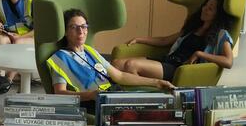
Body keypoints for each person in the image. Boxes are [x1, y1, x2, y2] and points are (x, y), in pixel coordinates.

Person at [47, 9, 175, 112]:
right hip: (92, 103)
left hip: (112, 94)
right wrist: (91, 95)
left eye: (84, 26)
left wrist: (156, 82)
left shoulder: (90, 51)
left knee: (158, 103)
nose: (80, 31)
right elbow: (60, 93)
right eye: (74, 27)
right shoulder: (60, 58)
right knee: (147, 112)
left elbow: (120, 76)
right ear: (65, 32)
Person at [112, 0, 234, 82]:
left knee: (131, 65)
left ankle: (146, 92)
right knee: (116, 64)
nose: (205, 9)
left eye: (210, 8)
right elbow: (164, 41)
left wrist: (199, 54)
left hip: (179, 69)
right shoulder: (193, 28)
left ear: (217, 15)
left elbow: (228, 62)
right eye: (205, 5)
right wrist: (139, 39)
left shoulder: (221, 34)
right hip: (168, 61)